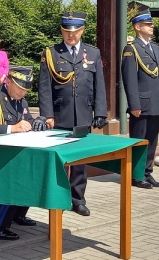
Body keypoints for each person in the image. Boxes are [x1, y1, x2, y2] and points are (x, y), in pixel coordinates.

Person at [38, 12, 108, 216]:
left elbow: (99, 85)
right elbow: (45, 87)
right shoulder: (51, 53)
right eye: (67, 31)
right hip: (60, 115)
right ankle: (58, 198)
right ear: (61, 30)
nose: (71, 35)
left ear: (82, 30)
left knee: (79, 161)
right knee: (59, 160)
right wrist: (47, 114)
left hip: (83, 115)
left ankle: (78, 199)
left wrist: (100, 111)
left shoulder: (92, 53)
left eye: (75, 31)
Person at [0, 66, 47, 240]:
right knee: (18, 174)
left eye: (26, 90)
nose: (23, 93)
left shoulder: (20, 101)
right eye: (20, 88)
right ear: (8, 81)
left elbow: (27, 121)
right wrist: (12, 128)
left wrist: (38, 123)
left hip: (7, 155)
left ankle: (17, 214)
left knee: (36, 166)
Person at [121, 10, 159, 189]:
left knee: (152, 139)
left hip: (156, 103)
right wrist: (134, 104)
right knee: (139, 140)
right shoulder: (131, 49)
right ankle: (136, 174)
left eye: (151, 24)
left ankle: (147, 172)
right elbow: (129, 79)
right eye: (148, 24)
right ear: (137, 27)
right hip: (141, 104)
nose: (152, 27)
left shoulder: (155, 48)